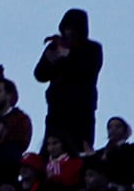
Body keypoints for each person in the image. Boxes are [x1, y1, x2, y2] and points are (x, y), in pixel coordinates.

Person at [33, 8, 101, 156]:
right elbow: (39, 74)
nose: (70, 33)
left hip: (81, 110)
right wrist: (50, 62)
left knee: (79, 150)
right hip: (56, 109)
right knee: (51, 149)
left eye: (74, 29)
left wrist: (66, 57)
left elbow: (85, 71)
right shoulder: (55, 46)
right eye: (67, 28)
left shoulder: (92, 49)